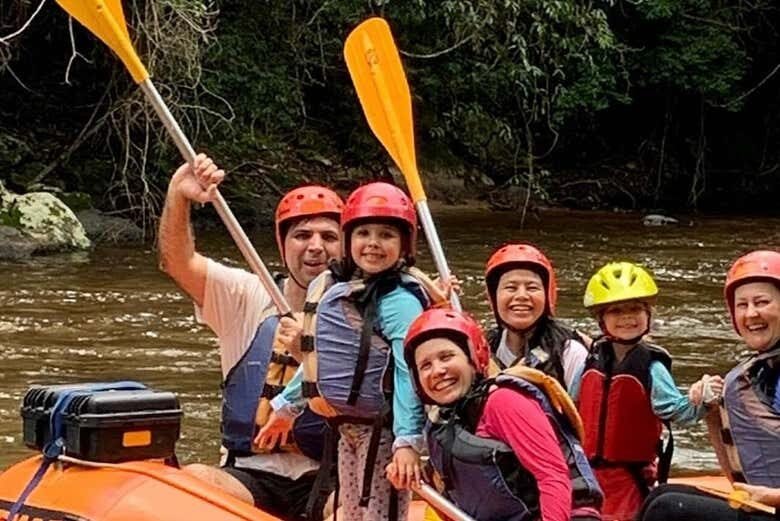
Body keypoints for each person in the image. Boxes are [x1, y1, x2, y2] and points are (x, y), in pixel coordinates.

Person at [158, 153, 343, 520]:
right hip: (248, 475)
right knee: (195, 479)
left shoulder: (360, 310)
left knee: (362, 507)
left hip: (330, 476)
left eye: (329, 236)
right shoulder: (246, 295)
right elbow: (176, 261)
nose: (315, 246)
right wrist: (179, 195)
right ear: (282, 243)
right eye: (302, 235)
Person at [265, 182, 443, 521]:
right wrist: (287, 406)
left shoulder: (400, 302)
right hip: (346, 428)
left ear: (404, 244)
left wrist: (407, 441)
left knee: (377, 514)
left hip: (384, 429)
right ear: (349, 240)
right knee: (352, 511)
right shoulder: (339, 290)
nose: (373, 243)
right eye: (363, 233)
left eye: (386, 235)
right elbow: (323, 362)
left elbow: (408, 375)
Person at [397, 307, 603, 521]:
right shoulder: (441, 424)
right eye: (425, 365)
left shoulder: (504, 402)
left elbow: (553, 476)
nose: (437, 370)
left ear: (473, 358)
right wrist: (413, 478)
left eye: (447, 356)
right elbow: (456, 503)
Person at [637, 250, 780, 521]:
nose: (751, 314)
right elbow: (737, 477)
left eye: (762, 302)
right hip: (767, 507)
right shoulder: (759, 373)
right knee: (661, 494)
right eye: (742, 305)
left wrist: (772, 496)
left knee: (666, 510)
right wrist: (713, 412)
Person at [576, 261, 722, 521]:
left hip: (629, 481)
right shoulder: (591, 360)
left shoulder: (652, 366)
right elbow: (568, 404)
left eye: (635, 309)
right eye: (616, 311)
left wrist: (704, 400)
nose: (627, 317)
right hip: (585, 475)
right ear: (601, 320)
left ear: (648, 315)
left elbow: (677, 410)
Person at [484, 243, 590, 394]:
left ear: (547, 296)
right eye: (511, 288)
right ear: (494, 298)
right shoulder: (484, 350)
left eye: (532, 288)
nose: (521, 296)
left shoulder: (570, 353)